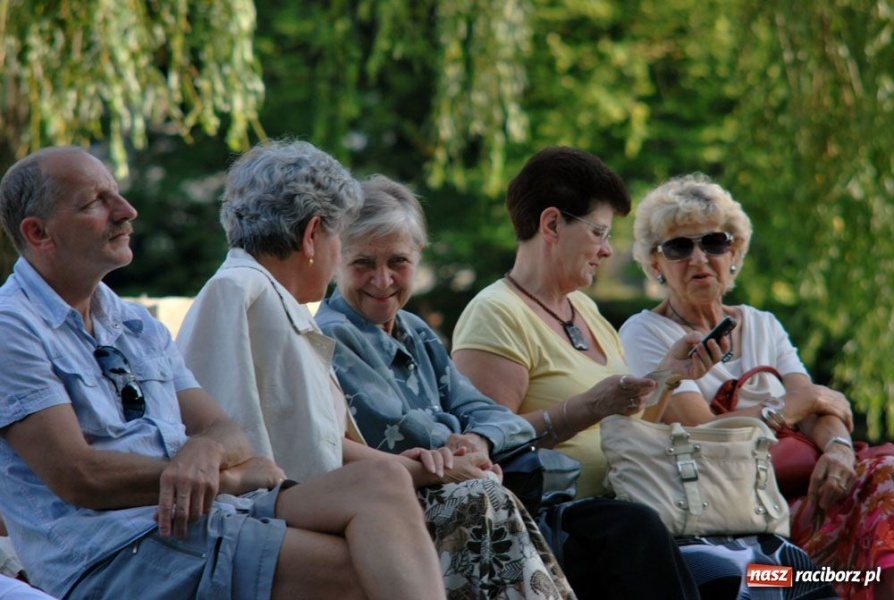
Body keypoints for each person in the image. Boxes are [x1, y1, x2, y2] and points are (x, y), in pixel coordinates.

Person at [0, 146, 446, 600]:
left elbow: (227, 429)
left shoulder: (134, 324)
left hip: (206, 518)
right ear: (39, 233)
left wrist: (207, 449)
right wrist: (226, 476)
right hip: (118, 550)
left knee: (384, 484)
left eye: (116, 194)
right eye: (96, 202)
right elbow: (79, 476)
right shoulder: (11, 328)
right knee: (357, 567)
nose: (127, 211)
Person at [175, 139, 574, 599]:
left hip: (310, 501)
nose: (377, 279)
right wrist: (432, 466)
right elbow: (243, 454)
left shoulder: (271, 300)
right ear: (313, 235)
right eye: (346, 246)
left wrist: (425, 466)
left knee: (464, 494)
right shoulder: (240, 292)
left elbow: (317, 443)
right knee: (476, 501)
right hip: (265, 515)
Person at [452, 147, 836, 599]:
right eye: (598, 232)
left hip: (642, 507)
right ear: (551, 225)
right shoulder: (496, 315)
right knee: (724, 574)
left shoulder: (586, 311)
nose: (607, 249)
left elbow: (635, 430)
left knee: (796, 572)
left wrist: (669, 376)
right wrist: (586, 407)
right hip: (578, 525)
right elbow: (487, 455)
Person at [314, 174, 703, 599]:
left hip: (504, 490)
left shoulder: (414, 330)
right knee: (626, 529)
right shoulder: (335, 335)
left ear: (419, 256)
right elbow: (396, 429)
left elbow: (492, 414)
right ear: (336, 262)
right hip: (416, 504)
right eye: (363, 264)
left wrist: (479, 440)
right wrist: (465, 450)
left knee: (640, 528)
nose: (383, 279)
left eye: (398, 262)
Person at [618, 173, 894, 600]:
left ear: (735, 253)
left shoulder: (763, 323)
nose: (698, 258)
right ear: (655, 265)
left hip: (807, 494)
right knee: (774, 577)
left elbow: (820, 414)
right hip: (731, 514)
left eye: (714, 242)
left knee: (887, 479)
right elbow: (701, 428)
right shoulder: (646, 333)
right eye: (678, 247)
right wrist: (794, 405)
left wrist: (838, 448)